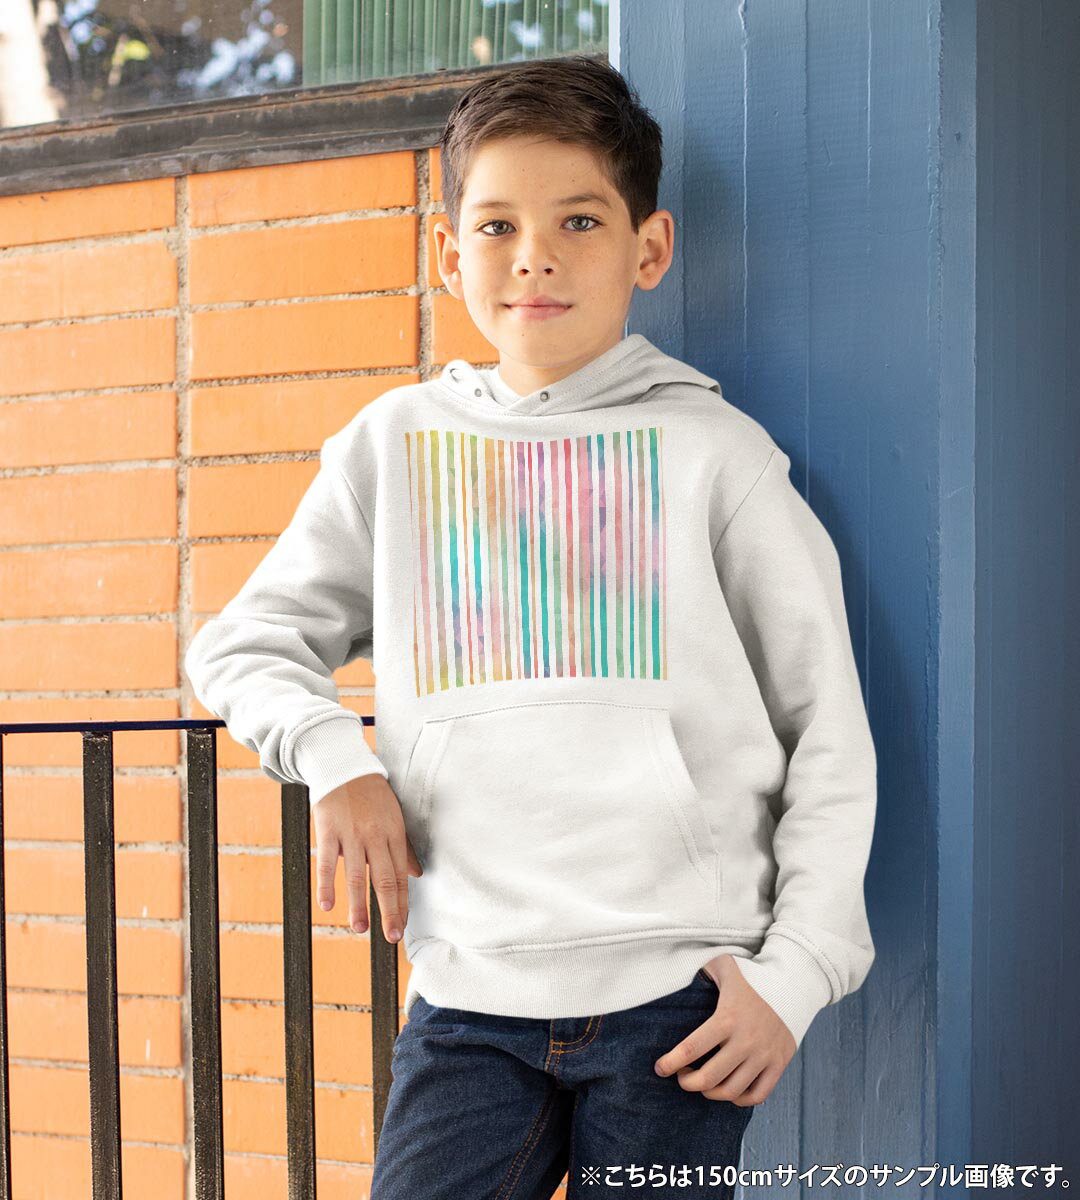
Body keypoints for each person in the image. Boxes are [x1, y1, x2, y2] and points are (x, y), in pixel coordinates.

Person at [183, 54, 877, 1200]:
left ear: (648, 248)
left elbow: (829, 734)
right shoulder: (393, 447)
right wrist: (335, 760)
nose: (534, 255)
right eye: (497, 224)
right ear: (448, 251)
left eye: (579, 221)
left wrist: (795, 975)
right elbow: (242, 643)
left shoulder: (721, 460)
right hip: (467, 998)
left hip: (681, 1006)